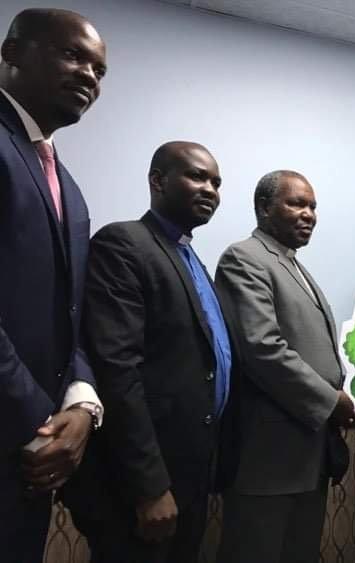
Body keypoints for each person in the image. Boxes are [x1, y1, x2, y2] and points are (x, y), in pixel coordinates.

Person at [64, 142, 233, 563]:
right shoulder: (124, 244)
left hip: (191, 477)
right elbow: (118, 370)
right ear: (158, 181)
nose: (210, 189)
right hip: (143, 487)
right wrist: (150, 487)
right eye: (197, 176)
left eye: (216, 182)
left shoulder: (190, 258)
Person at [0, 9, 106, 561]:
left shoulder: (67, 185)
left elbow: (71, 314)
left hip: (36, 463)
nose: (89, 75)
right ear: (11, 52)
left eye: (99, 70)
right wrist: (39, 419)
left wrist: (82, 402)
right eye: (72, 55)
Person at [215, 170, 355, 563]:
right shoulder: (245, 258)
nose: (308, 214)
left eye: (312, 206)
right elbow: (262, 348)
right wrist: (331, 401)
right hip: (268, 458)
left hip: (309, 452)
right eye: (296, 203)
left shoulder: (293, 265)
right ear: (264, 208)